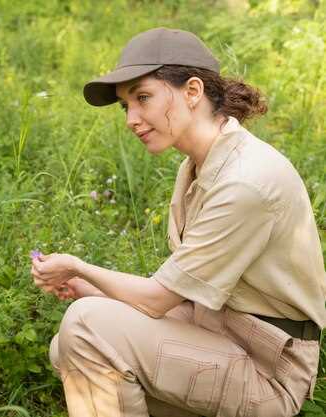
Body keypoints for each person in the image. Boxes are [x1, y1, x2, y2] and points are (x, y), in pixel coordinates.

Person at [31, 27, 325, 417]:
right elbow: (186, 294)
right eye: (125, 106)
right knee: (69, 347)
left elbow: (158, 299)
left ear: (192, 91)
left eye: (143, 98)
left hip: (269, 368)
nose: (131, 119)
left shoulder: (245, 180)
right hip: (222, 329)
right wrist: (89, 286)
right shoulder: (201, 165)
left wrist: (79, 266)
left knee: (86, 329)